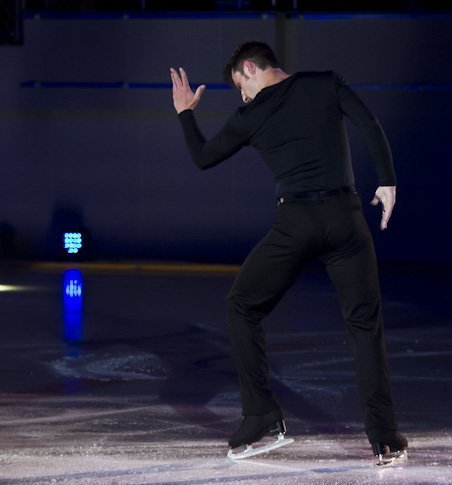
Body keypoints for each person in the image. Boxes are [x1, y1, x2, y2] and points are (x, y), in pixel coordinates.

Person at [170, 41, 407, 462]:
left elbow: (203, 157)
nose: (242, 96)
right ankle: (385, 437)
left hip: (296, 223)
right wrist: (386, 180)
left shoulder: (251, 115)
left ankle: (262, 416)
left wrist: (185, 112)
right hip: (345, 218)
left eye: (240, 86)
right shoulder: (325, 84)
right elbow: (369, 124)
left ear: (251, 66)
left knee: (242, 306)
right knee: (364, 327)